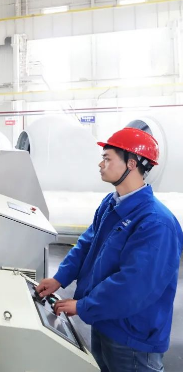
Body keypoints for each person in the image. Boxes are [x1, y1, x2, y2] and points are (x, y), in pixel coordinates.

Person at [36, 127, 183, 372]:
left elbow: (134, 285)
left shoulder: (155, 223)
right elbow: (87, 244)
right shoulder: (111, 204)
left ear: (132, 164)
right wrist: (59, 279)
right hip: (104, 319)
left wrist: (83, 306)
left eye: (107, 158)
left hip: (133, 337)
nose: (100, 164)